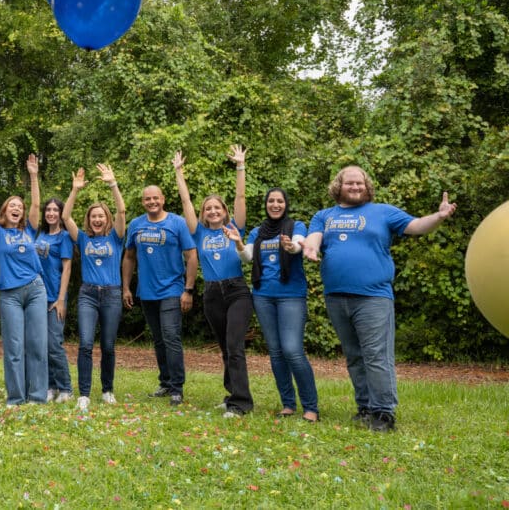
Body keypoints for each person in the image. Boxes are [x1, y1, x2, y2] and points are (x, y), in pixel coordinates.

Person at [303, 166, 456, 433]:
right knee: (354, 356)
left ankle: (383, 413)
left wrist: (439, 216)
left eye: (359, 183)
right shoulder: (324, 216)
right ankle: (365, 408)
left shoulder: (383, 212)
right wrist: (311, 248)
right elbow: (314, 239)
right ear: (339, 186)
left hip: (373, 297)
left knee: (376, 356)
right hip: (336, 298)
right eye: (349, 183)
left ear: (367, 186)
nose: (355, 187)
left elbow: (417, 226)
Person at [174, 145, 254, 417]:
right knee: (225, 348)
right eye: (208, 208)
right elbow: (186, 203)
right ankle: (232, 393)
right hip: (212, 294)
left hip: (237, 292)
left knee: (234, 346)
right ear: (203, 213)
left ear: (224, 211)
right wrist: (179, 173)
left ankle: (241, 403)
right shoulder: (197, 233)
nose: (212, 211)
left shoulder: (235, 228)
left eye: (217, 207)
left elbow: (240, 196)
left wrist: (240, 166)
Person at [226, 188, 318, 422]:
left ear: (285, 204)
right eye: (271, 201)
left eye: (279, 201)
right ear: (266, 204)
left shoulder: (296, 226)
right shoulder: (258, 232)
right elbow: (247, 257)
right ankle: (288, 404)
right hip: (263, 296)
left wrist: (291, 247)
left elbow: (298, 244)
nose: (275, 204)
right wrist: (238, 242)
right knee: (276, 353)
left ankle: (310, 406)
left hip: (291, 296)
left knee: (292, 351)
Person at [121, 184, 197, 405]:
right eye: (147, 199)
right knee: (158, 339)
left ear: (163, 199)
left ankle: (176, 388)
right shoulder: (136, 224)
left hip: (172, 290)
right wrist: (126, 287)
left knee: (171, 337)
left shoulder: (177, 223)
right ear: (143, 202)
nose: (152, 202)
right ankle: (165, 382)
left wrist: (188, 290)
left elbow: (191, 256)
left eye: (155, 198)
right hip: (147, 292)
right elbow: (128, 257)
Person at [0, 154, 49, 405]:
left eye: (19, 207)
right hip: (10, 294)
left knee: (37, 345)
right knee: (14, 348)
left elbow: (36, 206)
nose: (17, 208)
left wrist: (33, 175)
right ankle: (16, 398)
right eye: (12, 206)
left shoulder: (29, 230)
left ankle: (37, 396)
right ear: (4, 210)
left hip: (35, 290)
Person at [62, 164, 127, 411]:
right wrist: (75, 190)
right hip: (88, 294)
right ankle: (85, 394)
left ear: (106, 219)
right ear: (89, 220)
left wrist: (113, 184)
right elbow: (66, 217)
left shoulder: (116, 238)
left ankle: (108, 390)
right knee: (86, 344)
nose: (97, 219)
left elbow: (121, 210)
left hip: (111, 294)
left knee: (108, 345)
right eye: (93, 216)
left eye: (101, 216)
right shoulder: (83, 238)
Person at [34, 197, 73, 403]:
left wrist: (60, 299)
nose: (51, 213)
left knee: (54, 343)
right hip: (36, 297)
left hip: (55, 297)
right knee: (42, 344)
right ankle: (50, 386)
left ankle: (65, 388)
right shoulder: (38, 235)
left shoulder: (64, 237)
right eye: (47, 209)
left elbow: (67, 268)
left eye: (55, 210)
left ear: (60, 214)